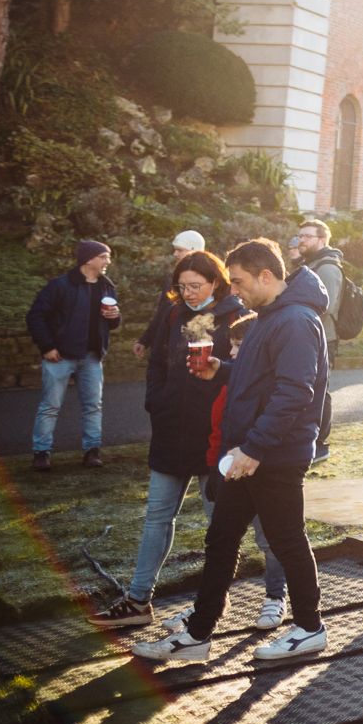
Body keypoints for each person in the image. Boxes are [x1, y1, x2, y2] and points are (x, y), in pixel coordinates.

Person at [132, 239, 329, 665]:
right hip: (250, 451)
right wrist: (222, 369)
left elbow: (295, 391)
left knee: (287, 539)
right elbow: (260, 375)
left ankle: (310, 628)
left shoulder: (295, 320)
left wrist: (255, 447)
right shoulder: (272, 316)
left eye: (237, 281)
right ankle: (199, 632)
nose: (233, 291)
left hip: (273, 454)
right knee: (221, 538)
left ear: (265, 276)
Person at [90, 250, 291, 629]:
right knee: (157, 516)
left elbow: (248, 377)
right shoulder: (172, 313)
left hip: (214, 435)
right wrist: (157, 401)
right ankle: (138, 600)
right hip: (171, 430)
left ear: (216, 282)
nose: (188, 293)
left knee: (221, 528)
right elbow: (157, 362)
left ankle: (226, 600)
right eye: (182, 287)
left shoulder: (236, 314)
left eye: (195, 286)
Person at [26, 240, 122, 471]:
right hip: (60, 356)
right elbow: (35, 317)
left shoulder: (107, 286)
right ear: (89, 259)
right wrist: (47, 346)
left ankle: (92, 451)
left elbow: (113, 323)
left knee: (93, 406)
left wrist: (115, 316)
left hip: (91, 357)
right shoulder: (59, 286)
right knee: (50, 406)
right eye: (104, 256)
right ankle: (41, 453)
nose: (108, 261)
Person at [290, 219, 344, 462]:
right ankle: (308, 440)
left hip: (324, 338)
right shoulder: (309, 264)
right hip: (309, 336)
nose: (301, 240)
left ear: (322, 239)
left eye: (307, 236)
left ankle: (321, 444)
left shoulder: (328, 268)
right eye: (300, 236)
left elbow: (326, 306)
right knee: (307, 389)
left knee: (321, 391)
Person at [134, 230, 205, 361]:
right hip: (166, 345)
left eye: (180, 250)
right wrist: (145, 340)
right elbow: (162, 312)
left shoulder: (209, 281)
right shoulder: (173, 279)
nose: (175, 254)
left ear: (193, 250)